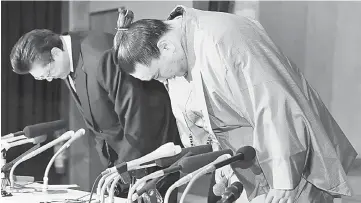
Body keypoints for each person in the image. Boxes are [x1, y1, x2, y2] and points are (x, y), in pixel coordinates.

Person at [112, 6, 358, 203]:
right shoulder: (188, 45)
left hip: (289, 159)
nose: (163, 81)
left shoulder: (223, 37)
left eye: (157, 75)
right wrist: (221, 159)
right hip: (252, 163)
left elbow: (273, 103)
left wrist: (283, 178)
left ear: (166, 46)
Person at [10, 29, 181, 200]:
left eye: (47, 74)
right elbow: (99, 126)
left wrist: (124, 170)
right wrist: (113, 170)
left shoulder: (99, 54)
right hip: (124, 161)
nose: (49, 79)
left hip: (150, 153)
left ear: (55, 53)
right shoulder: (69, 57)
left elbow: (138, 114)